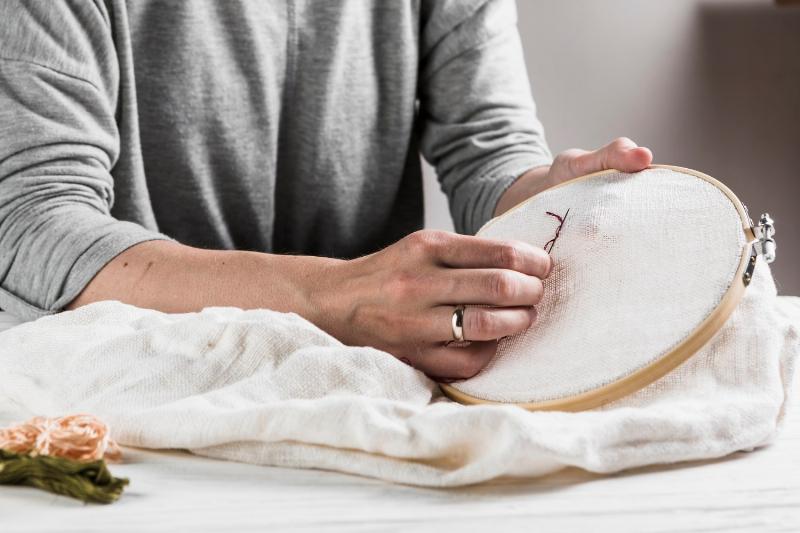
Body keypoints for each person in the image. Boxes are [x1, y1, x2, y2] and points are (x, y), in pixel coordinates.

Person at [0, 0, 652, 381]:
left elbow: (489, 149)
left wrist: (550, 198)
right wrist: (334, 297)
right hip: (128, 383)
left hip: (361, 384)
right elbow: (36, 226)